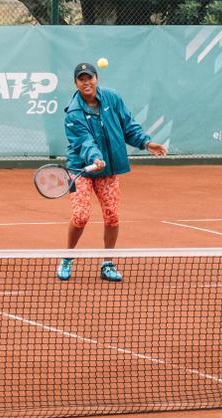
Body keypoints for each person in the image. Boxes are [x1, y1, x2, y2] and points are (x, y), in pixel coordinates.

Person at [57, 62, 166, 282]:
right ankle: (67, 259)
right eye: (81, 79)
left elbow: (128, 125)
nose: (86, 82)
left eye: (90, 78)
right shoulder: (73, 113)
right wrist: (95, 157)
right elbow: (83, 141)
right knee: (80, 216)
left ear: (97, 79)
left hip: (108, 169)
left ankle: (107, 263)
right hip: (82, 168)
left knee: (112, 216)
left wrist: (146, 143)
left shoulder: (112, 98)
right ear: (75, 83)